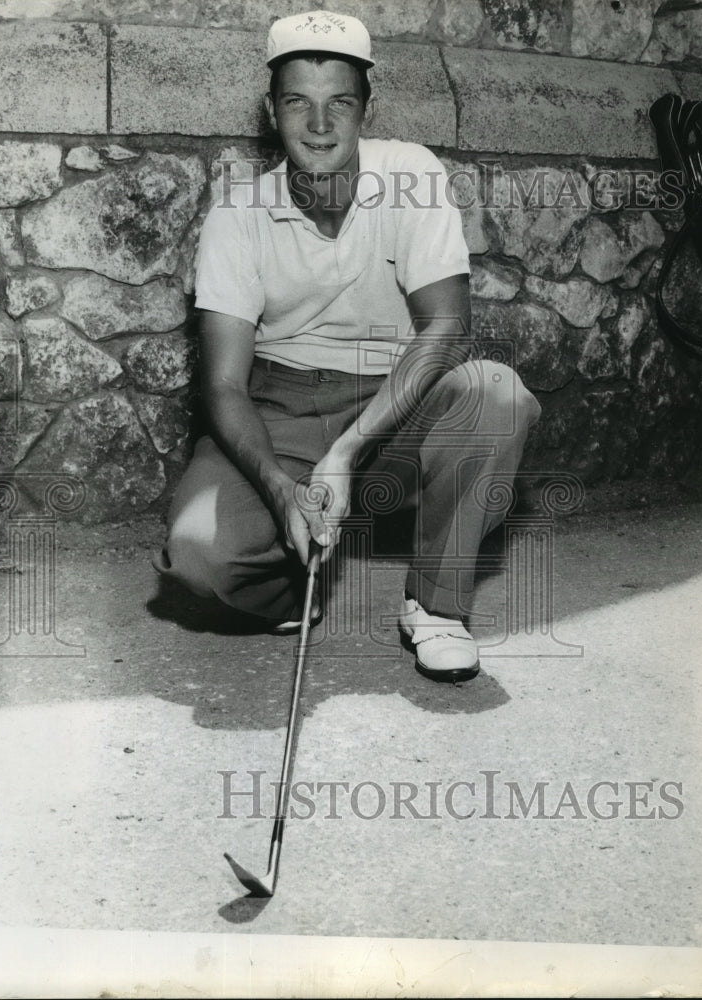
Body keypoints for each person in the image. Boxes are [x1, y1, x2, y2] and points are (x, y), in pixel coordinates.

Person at [156, 9, 541, 682]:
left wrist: (346, 451)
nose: (319, 125)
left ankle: (436, 606)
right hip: (280, 407)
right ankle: (290, 586)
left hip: (395, 401)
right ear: (270, 111)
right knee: (197, 555)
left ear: (367, 106)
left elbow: (447, 328)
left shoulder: (411, 174)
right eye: (296, 103)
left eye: (339, 102)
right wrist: (281, 490)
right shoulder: (237, 215)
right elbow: (222, 385)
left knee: (495, 393)